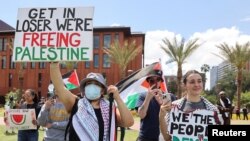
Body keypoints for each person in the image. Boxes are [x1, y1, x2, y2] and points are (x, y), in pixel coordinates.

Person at [50, 63, 134, 141]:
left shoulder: (109, 109)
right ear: (84, 89)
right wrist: (54, 65)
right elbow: (60, 88)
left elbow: (129, 122)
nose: (91, 86)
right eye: (89, 83)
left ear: (102, 91)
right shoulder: (75, 103)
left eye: (96, 84)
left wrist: (118, 99)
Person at [159, 70, 223, 141]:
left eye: (199, 81)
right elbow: (167, 138)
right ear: (185, 85)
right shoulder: (174, 107)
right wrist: (161, 116)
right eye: (192, 82)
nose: (196, 85)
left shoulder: (213, 110)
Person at [136, 69, 165, 141]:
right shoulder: (142, 96)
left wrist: (161, 103)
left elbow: (170, 117)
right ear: (148, 82)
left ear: (161, 81)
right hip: (145, 137)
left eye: (158, 79)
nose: (155, 83)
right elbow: (141, 115)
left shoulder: (168, 97)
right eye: (152, 80)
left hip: (162, 137)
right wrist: (148, 98)